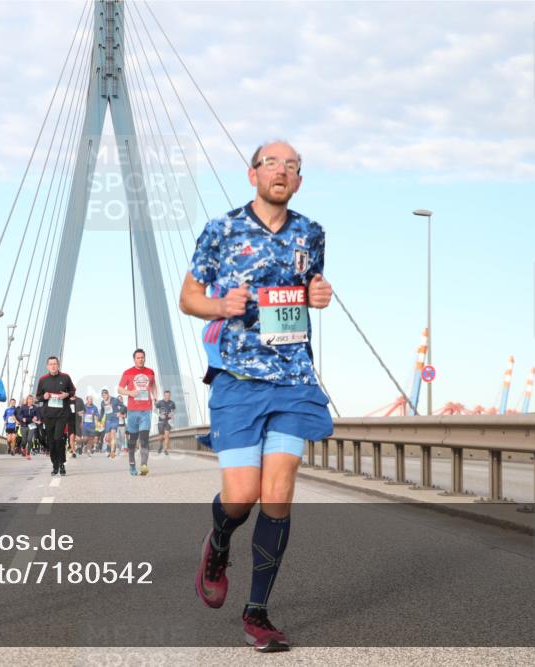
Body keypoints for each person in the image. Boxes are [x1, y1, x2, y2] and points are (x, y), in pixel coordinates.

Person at [179, 141, 333, 652]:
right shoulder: (220, 230)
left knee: (280, 492)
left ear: (299, 181)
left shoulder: (311, 232)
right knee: (242, 495)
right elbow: (188, 298)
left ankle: (258, 613)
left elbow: (311, 286)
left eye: (292, 166)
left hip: (292, 377)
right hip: (237, 379)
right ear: (252, 175)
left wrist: (319, 294)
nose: (282, 171)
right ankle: (219, 543)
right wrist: (219, 304)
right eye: (272, 163)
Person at [119, 349, 158, 476]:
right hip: (132, 410)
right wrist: (130, 393)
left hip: (146, 410)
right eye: (138, 358)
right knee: (133, 440)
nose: (140, 359)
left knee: (144, 438)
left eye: (142, 357)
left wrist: (155, 396)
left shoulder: (150, 372)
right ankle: (131, 464)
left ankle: (144, 465)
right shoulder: (128, 372)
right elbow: (120, 389)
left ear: (144, 358)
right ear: (134, 359)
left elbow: (153, 385)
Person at [35, 356, 75, 476]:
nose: (53, 366)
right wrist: (44, 397)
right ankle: (55, 464)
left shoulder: (65, 377)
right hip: (48, 415)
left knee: (58, 438)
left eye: (55, 364)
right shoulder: (43, 379)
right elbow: (38, 396)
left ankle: (62, 463)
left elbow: (73, 391)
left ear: (58, 365)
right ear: (47, 366)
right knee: (51, 441)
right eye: (50, 364)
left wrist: (66, 394)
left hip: (62, 414)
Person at [99, 389, 120, 458]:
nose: (104, 397)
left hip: (115, 420)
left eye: (105, 395)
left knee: (113, 434)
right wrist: (100, 420)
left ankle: (112, 452)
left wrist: (121, 412)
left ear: (108, 394)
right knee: (107, 438)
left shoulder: (115, 400)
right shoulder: (102, 402)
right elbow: (102, 412)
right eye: (102, 396)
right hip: (108, 421)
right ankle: (113, 448)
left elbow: (122, 406)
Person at [16, 394, 38, 459]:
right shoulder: (23, 407)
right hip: (24, 425)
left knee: (29, 439)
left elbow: (38, 415)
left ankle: (28, 454)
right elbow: (19, 415)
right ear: (27, 400)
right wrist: (22, 418)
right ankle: (23, 448)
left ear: (33, 400)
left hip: (32, 424)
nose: (30, 400)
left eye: (31, 399)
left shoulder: (35, 407)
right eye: (29, 399)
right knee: (24, 441)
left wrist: (36, 417)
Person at [155, 390, 176, 455]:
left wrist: (171, 414)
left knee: (167, 436)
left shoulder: (172, 403)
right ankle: (161, 445)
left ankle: (165, 449)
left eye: (169, 395)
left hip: (168, 421)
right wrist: (160, 415)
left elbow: (173, 411)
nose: (167, 397)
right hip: (161, 421)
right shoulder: (160, 402)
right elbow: (155, 410)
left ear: (170, 396)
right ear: (164, 395)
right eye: (166, 395)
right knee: (161, 436)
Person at [69, 391, 85, 458]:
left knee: (78, 438)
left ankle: (80, 445)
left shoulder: (79, 400)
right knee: (71, 437)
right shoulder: (67, 400)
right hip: (70, 421)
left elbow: (84, 410)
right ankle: (74, 452)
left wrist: (82, 420)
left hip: (78, 421)